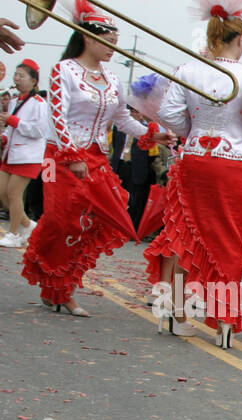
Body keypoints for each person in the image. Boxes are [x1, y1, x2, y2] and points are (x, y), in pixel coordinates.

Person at [21, 3, 175, 315]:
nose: (112, 50)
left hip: (96, 159)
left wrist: (150, 133)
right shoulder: (63, 70)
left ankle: (64, 286)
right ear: (89, 39)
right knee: (61, 220)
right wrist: (71, 155)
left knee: (91, 222)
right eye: (108, 42)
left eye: (115, 44)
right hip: (61, 158)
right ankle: (54, 283)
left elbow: (121, 120)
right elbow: (57, 117)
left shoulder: (112, 78)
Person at [145, 2, 242, 345]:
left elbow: (168, 114)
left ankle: (176, 314)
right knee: (229, 238)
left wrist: (192, 131)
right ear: (239, 40)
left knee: (185, 236)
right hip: (233, 163)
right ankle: (225, 322)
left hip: (195, 159)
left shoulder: (188, 69)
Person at [0, 59, 47, 248]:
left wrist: (14, 121)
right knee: (3, 193)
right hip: (10, 154)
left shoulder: (39, 103)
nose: (17, 79)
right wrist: (4, 136)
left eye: (22, 76)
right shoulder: (12, 102)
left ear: (34, 81)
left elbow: (39, 131)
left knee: (13, 193)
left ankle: (13, 234)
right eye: (16, 75)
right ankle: (28, 225)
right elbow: (10, 130)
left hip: (28, 156)